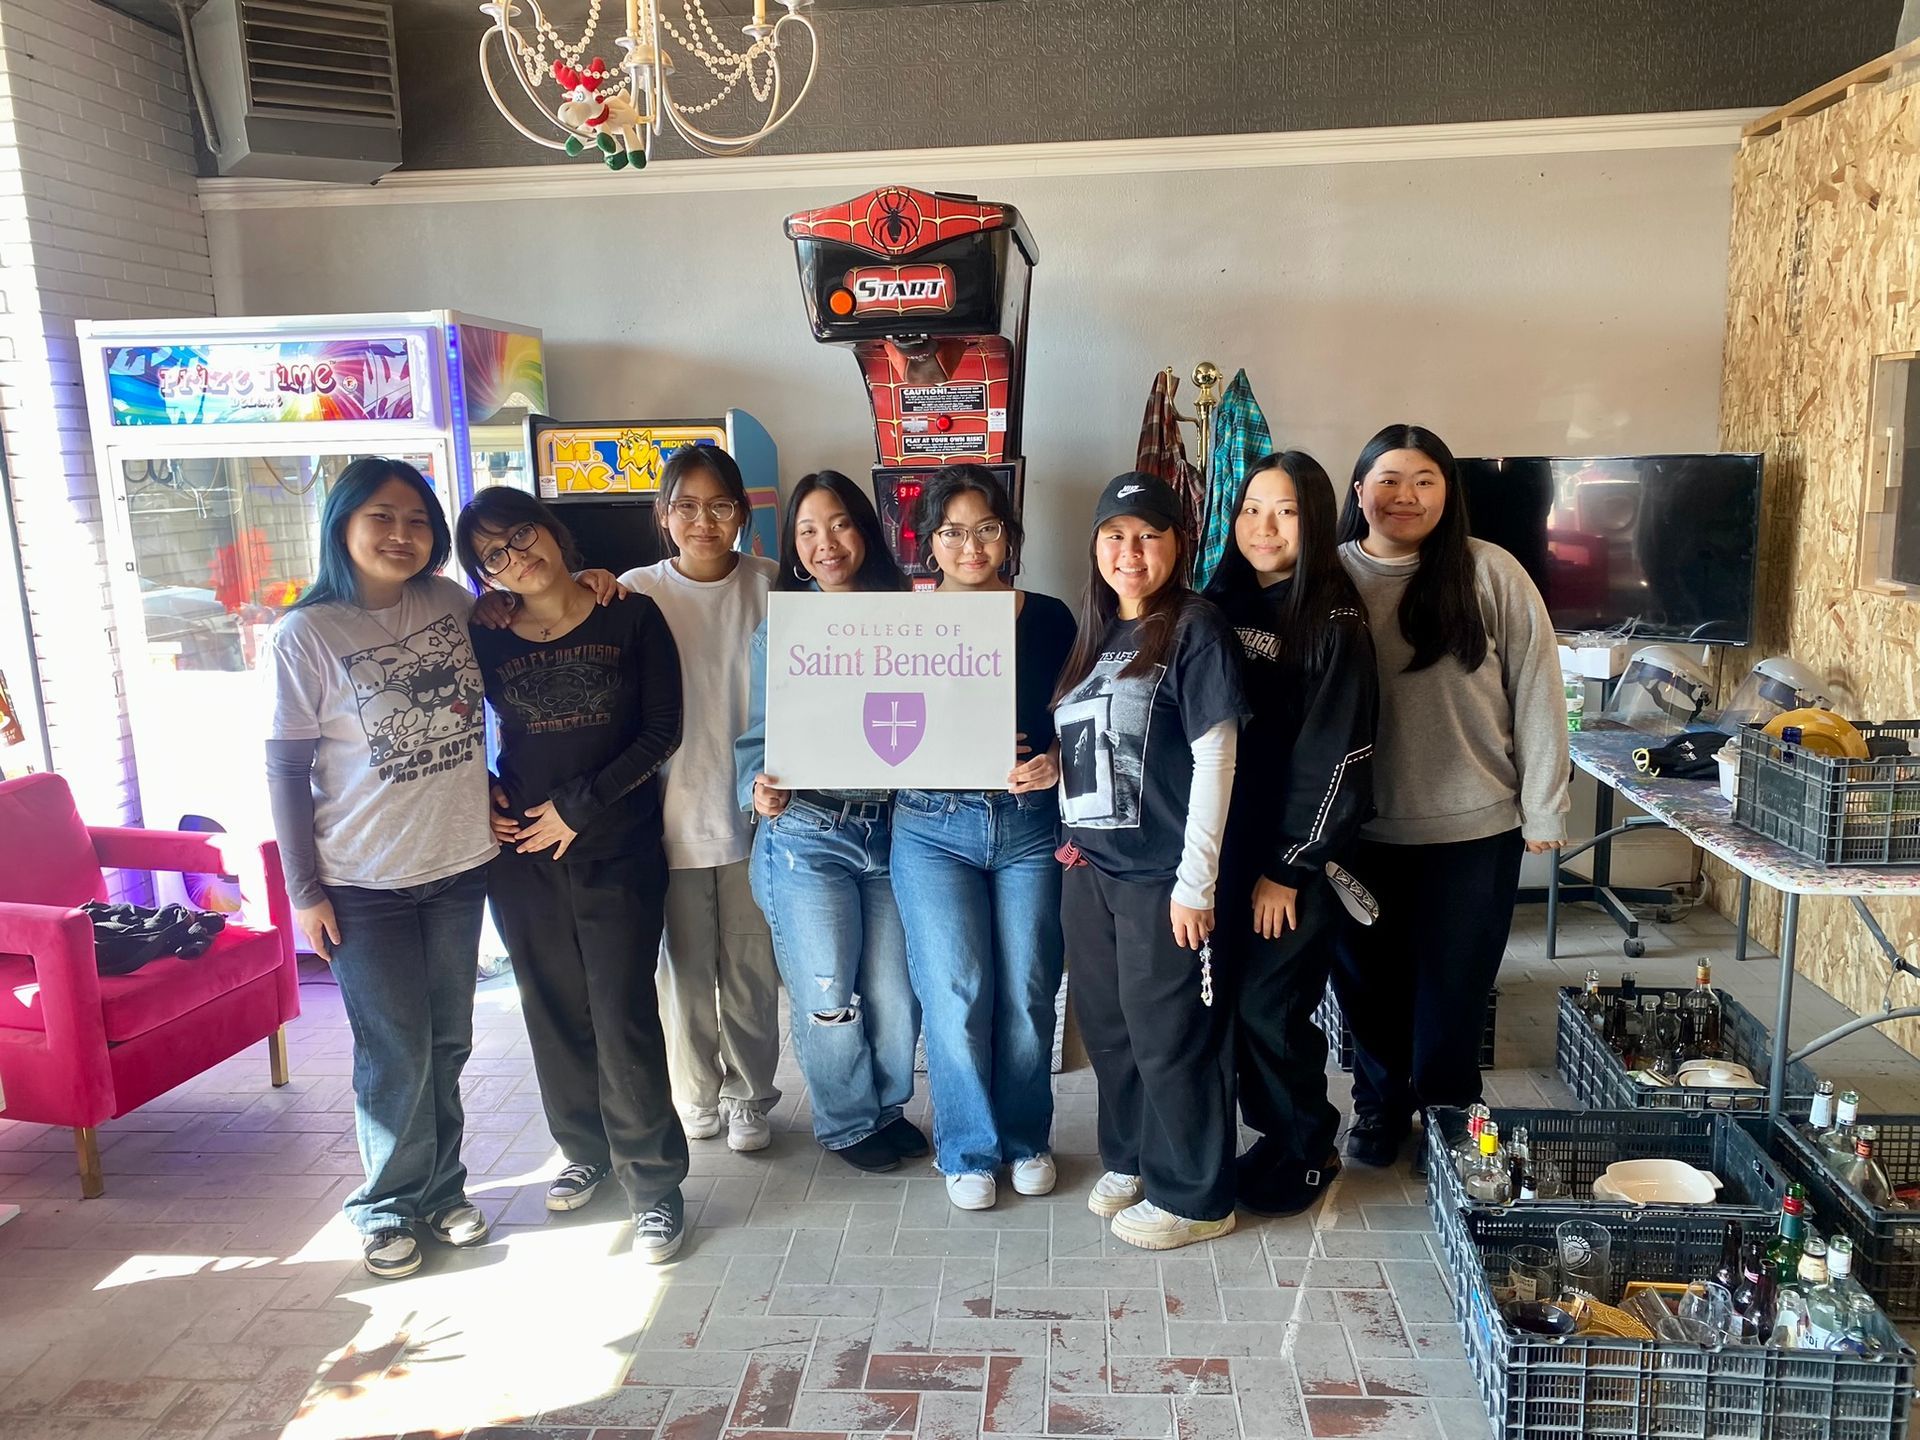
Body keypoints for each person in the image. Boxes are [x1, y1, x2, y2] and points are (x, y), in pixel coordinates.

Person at [263, 457, 620, 1278]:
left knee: (448, 1039)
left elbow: (534, 626)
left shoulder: (452, 603)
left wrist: (594, 577)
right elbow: (285, 771)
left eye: (417, 520)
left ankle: (443, 1191)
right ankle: (387, 1206)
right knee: (394, 1050)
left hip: (461, 862)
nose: (400, 534)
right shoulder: (307, 634)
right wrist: (304, 890)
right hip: (363, 878)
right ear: (343, 526)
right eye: (381, 518)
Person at [457, 486, 692, 1262]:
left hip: (615, 845)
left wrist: (579, 808)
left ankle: (655, 1186)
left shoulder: (629, 614)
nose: (513, 556)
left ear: (553, 532)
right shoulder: (485, 635)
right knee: (551, 1005)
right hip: (518, 852)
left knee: (621, 1010)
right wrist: (485, 793)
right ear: (484, 573)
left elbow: (663, 730)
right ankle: (585, 1150)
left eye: (519, 535)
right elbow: (449, 729)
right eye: (492, 553)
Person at [1330, 424, 1570, 1172]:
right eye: (1389, 478)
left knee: (1453, 991)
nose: (1405, 495)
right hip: (1357, 834)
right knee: (1366, 989)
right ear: (1359, 489)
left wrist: (1546, 808)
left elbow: (1538, 690)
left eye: (1425, 480)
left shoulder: (1488, 572)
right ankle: (1377, 1106)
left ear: (1448, 493)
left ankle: (1449, 1117)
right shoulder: (1329, 578)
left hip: (1475, 828)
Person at [1052, 472, 1249, 1251]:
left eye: (1148, 535)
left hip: (1161, 875)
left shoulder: (1196, 628)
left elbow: (1217, 758)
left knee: (1171, 1035)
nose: (1129, 552)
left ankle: (1197, 1196)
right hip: (1089, 869)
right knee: (1111, 1030)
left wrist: (1195, 881)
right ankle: (1132, 1157)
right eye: (1114, 535)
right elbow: (1094, 742)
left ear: (1178, 544)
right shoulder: (1098, 631)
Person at [888, 465, 1076, 1211]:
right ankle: (967, 1147)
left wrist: (1057, 763)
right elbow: (868, 723)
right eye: (954, 531)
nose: (972, 545)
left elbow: (1081, 722)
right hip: (931, 828)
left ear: (1010, 535)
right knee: (956, 992)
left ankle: (1027, 1137)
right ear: (930, 542)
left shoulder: (1055, 618)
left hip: (1030, 827)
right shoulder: (900, 621)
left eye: (987, 528)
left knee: (1030, 991)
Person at [734, 471, 923, 1174]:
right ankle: (847, 1123)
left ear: (865, 532)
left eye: (839, 524)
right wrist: (756, 791)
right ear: (793, 546)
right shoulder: (781, 629)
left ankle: (885, 1106)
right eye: (808, 530)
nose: (825, 543)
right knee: (827, 992)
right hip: (808, 832)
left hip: (894, 828)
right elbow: (758, 736)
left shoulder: (910, 617)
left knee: (894, 991)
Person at [1204, 451, 1377, 1216]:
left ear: (1314, 521)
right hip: (1222, 856)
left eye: (1284, 512)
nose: (1262, 527)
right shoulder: (1221, 603)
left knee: (1269, 1011)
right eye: (1250, 510)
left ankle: (1309, 1149)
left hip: (1290, 865)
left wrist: (1288, 867)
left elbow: (1334, 759)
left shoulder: (1333, 620)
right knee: (1234, 1009)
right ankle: (1275, 1138)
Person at [620, 446, 782, 1155]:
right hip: (670, 815)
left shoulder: (774, 586)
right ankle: (697, 1093)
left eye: (719, 506)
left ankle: (752, 1096)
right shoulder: (630, 591)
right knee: (682, 971)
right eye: (686, 505)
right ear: (664, 516)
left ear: (742, 515)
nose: (703, 521)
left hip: (758, 812)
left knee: (750, 967)